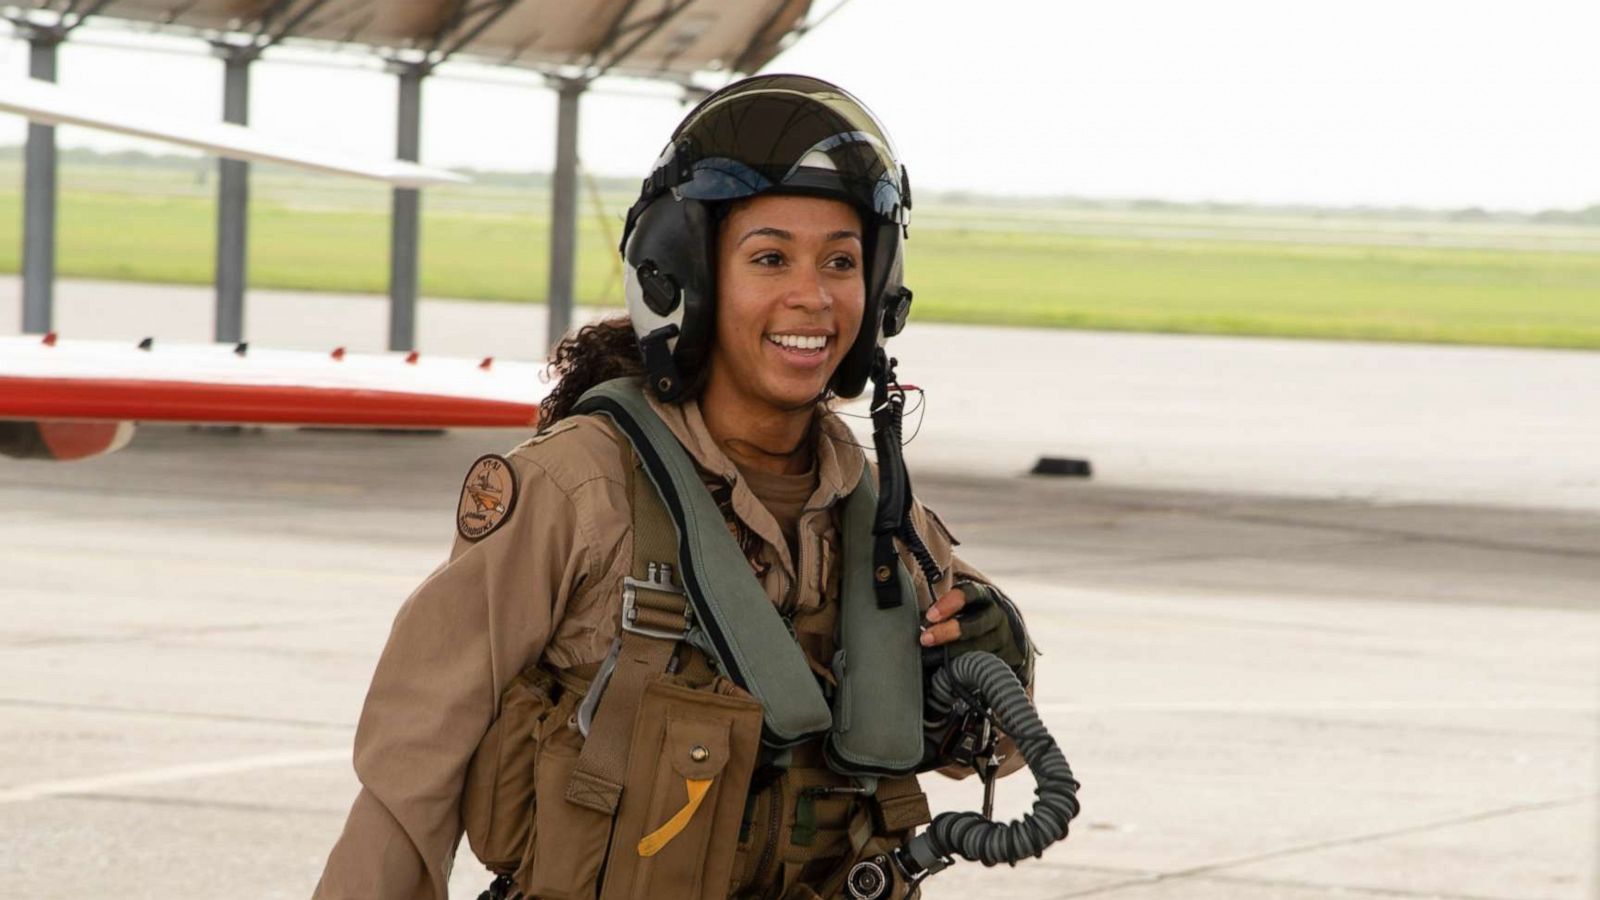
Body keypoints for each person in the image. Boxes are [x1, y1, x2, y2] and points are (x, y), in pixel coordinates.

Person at [314, 74, 1033, 900]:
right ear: (684, 276)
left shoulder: (880, 518)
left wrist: (990, 665)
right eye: (770, 258)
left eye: (842, 261)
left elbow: (997, 750)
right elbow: (414, 764)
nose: (814, 294)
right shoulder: (577, 488)